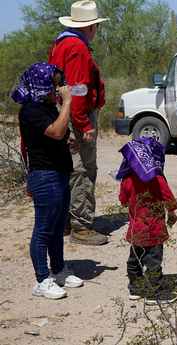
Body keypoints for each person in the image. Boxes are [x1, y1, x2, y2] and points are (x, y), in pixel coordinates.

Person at [12, 63, 83, 300]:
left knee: (57, 227)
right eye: (55, 82)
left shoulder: (48, 107)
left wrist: (68, 141)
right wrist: (68, 103)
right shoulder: (31, 110)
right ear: (42, 84)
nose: (59, 87)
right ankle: (42, 279)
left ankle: (59, 269)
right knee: (43, 229)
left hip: (59, 172)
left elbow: (58, 135)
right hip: (45, 176)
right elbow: (55, 132)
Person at [49, 0, 109, 246]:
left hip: (63, 113)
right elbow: (78, 90)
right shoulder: (78, 48)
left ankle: (63, 222)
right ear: (91, 26)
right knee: (83, 170)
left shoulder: (61, 43)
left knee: (67, 168)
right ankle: (81, 226)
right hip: (75, 115)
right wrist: (84, 124)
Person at [117, 137, 177, 305]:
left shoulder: (128, 179)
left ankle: (135, 289)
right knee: (153, 261)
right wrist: (172, 213)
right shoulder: (157, 179)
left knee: (134, 259)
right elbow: (169, 199)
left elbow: (122, 200)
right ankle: (154, 293)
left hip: (136, 228)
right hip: (155, 229)